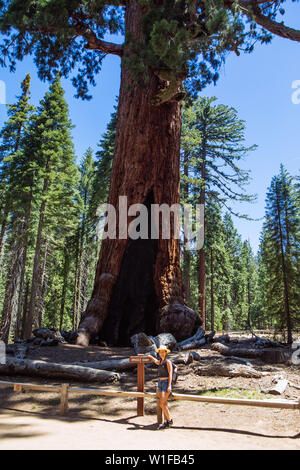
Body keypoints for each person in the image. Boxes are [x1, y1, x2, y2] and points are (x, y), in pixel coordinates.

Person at [149, 345, 173, 429]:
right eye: (160, 352)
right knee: (164, 403)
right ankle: (167, 422)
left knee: (161, 403)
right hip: (160, 383)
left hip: (166, 383)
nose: (161, 353)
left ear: (166, 353)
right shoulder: (160, 362)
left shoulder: (168, 362)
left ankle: (169, 420)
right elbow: (155, 361)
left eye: (163, 352)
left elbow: (170, 374)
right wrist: (150, 357)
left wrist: (169, 385)